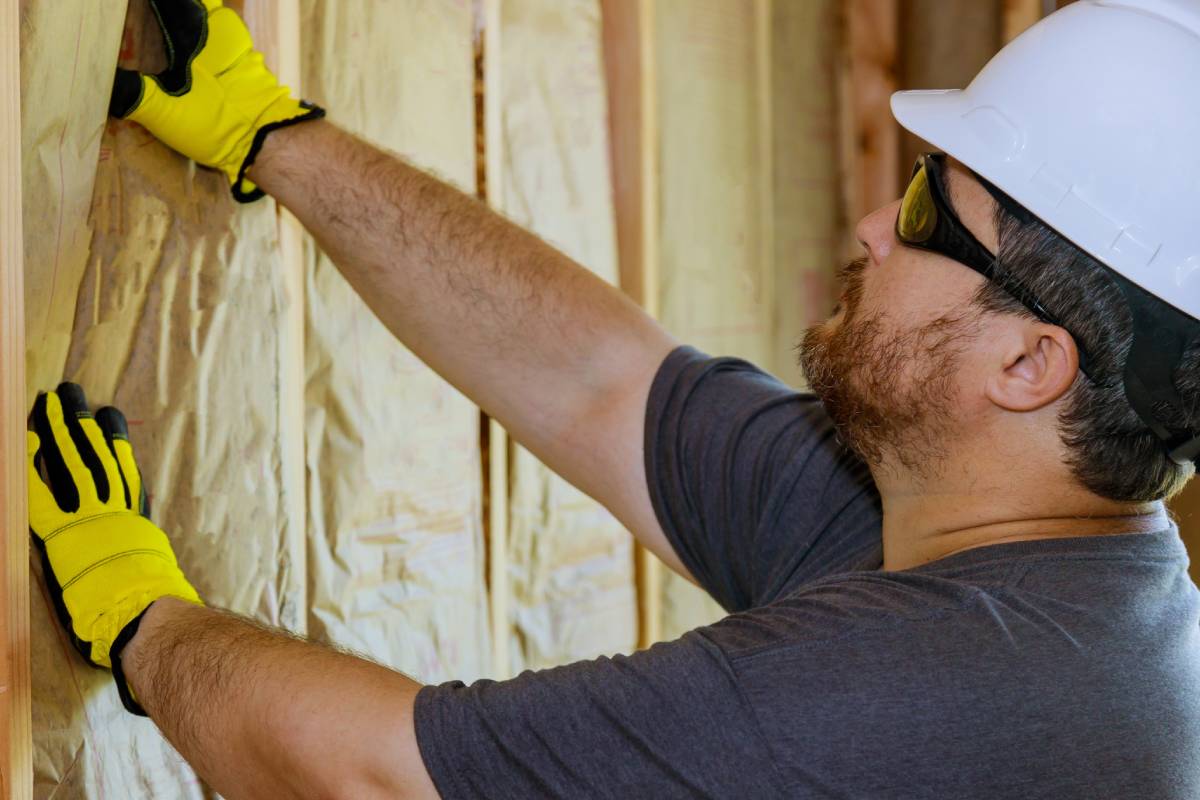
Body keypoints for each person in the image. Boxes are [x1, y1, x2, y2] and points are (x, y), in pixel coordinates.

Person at [26, 0, 1200, 797]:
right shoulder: (979, 525)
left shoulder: (938, 691)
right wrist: (272, 134)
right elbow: (604, 382)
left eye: (924, 214)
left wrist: (140, 620)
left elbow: (382, 775)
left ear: (1029, 364)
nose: (867, 228)